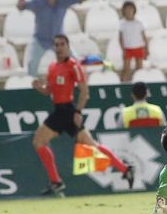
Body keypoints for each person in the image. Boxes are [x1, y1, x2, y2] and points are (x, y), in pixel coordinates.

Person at [31, 34, 132, 196]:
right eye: (56, 45)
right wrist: (39, 88)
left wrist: (78, 111)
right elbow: (49, 91)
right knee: (40, 142)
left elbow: (85, 91)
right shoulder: (52, 67)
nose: (59, 48)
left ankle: (57, 181)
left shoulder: (73, 65)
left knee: (89, 145)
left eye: (62, 44)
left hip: (68, 111)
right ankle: (124, 169)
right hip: (59, 111)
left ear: (68, 46)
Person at [18, 0, 94, 74]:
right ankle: (33, 83)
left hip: (59, 41)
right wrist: (20, 4)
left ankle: (76, 82)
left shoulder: (63, 0)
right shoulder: (38, 2)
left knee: (75, 62)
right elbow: (23, 6)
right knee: (31, 64)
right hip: (40, 40)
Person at [117, 0, 148, 82]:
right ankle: (123, 84)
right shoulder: (122, 23)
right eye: (126, 9)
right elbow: (120, 38)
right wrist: (123, 50)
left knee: (139, 69)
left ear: (134, 10)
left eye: (130, 9)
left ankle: (139, 84)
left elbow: (144, 37)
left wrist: (146, 49)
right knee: (126, 69)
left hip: (138, 47)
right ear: (123, 11)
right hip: (128, 48)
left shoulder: (139, 23)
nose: (128, 11)